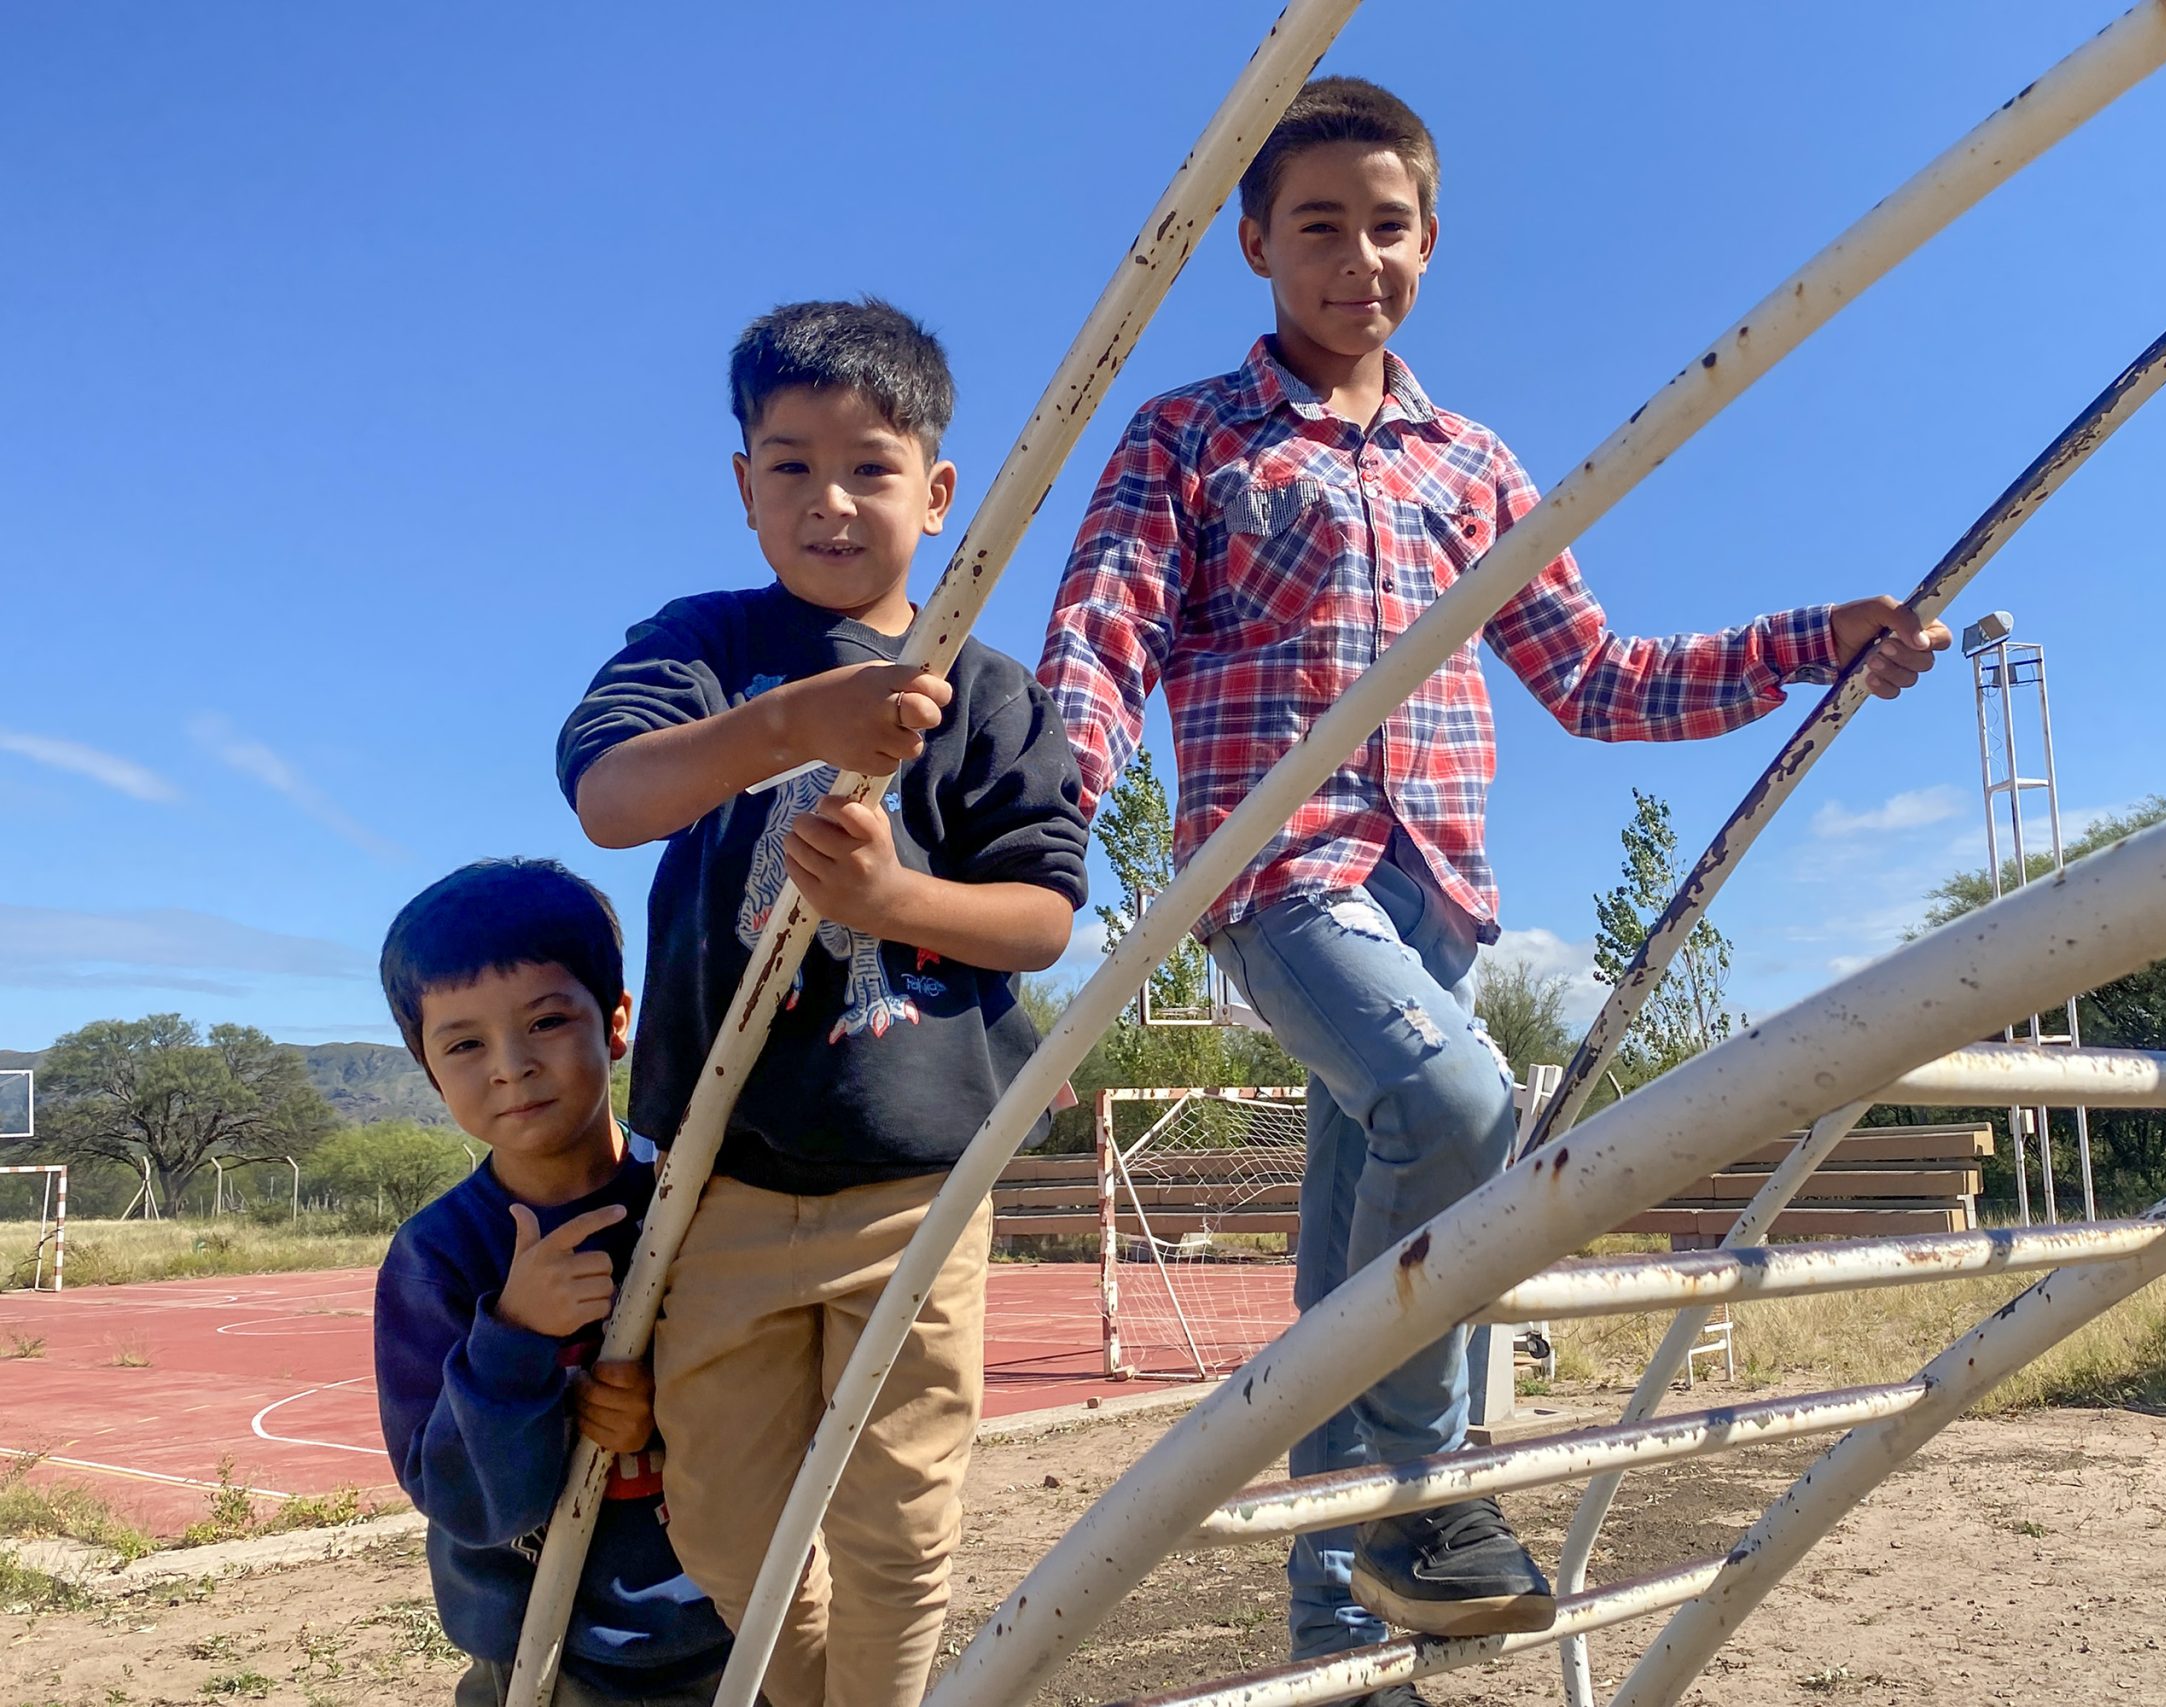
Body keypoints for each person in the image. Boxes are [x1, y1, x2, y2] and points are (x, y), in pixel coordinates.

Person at [1037, 77, 1950, 1696]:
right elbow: (1106, 640)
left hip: (1437, 897)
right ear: (1254, 242)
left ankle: (1342, 1638)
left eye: (1388, 227)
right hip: (1280, 871)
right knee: (1462, 1103)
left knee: (1355, 1295)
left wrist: (1816, 640)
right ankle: (1435, 1493)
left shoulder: (1471, 464)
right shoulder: (1193, 436)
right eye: (1319, 226)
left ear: (1431, 240)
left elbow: (1597, 676)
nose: (1358, 259)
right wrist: (1042, 825)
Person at [556, 298, 1088, 1707]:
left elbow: (1041, 918)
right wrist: (795, 722)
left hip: (913, 1185)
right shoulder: (707, 646)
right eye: (789, 465)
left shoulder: (988, 694)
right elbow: (609, 797)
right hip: (718, 1181)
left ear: (939, 490)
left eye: (869, 466)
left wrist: (895, 902)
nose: (829, 500)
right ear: (743, 486)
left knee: (897, 1520)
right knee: (727, 1522)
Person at [374, 857, 733, 1706]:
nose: (511, 1065)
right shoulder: (438, 1256)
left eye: (545, 1020)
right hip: (538, 1661)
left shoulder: (703, 1199)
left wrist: (667, 1415)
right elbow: (462, 1499)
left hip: (731, 1632)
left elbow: (787, 1395)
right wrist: (513, 1338)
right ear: (430, 1068)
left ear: (616, 1023)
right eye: (465, 1043)